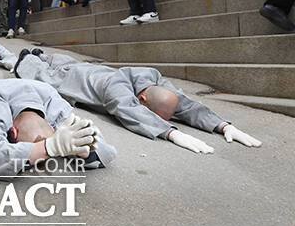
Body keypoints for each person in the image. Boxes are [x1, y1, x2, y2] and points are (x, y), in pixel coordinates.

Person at [15, 51, 262, 154]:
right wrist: (172, 133)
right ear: (142, 98)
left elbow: (183, 104)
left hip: (88, 69)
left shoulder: (152, 78)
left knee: (64, 62)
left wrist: (223, 125)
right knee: (40, 72)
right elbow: (129, 110)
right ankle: (30, 57)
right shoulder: (116, 88)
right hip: (73, 79)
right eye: (152, 112)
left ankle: (43, 55)